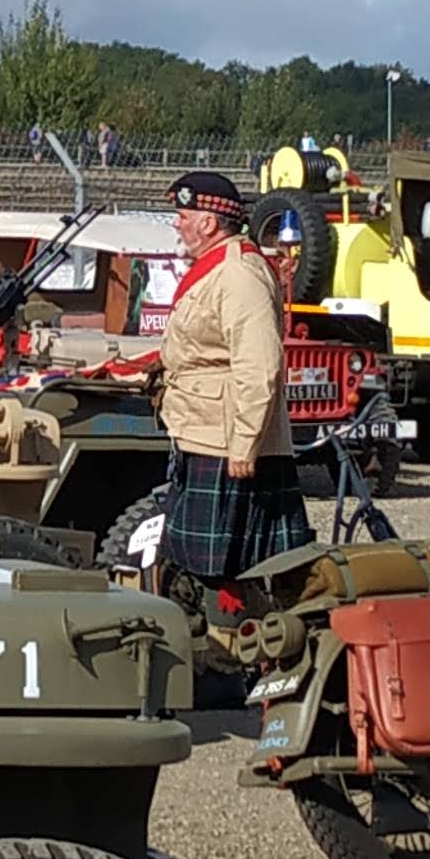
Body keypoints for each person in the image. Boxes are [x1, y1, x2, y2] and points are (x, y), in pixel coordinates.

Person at [155, 171, 309, 594]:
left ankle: (236, 632)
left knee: (231, 573)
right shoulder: (216, 268)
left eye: (183, 216)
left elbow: (259, 365)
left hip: (228, 445)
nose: (177, 224)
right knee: (199, 567)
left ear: (208, 223)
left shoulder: (239, 274)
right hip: (205, 432)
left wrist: (245, 443)